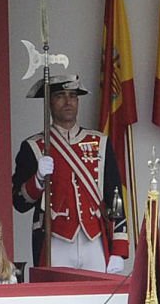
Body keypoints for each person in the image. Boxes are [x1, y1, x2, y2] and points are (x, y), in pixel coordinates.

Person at [12, 74, 127, 273]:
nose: (68, 101)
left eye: (72, 96)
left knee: (98, 299)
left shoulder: (100, 142)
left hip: (95, 238)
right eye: (60, 96)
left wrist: (119, 248)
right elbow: (20, 202)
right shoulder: (33, 146)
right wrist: (38, 180)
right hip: (55, 239)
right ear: (49, 102)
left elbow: (114, 196)